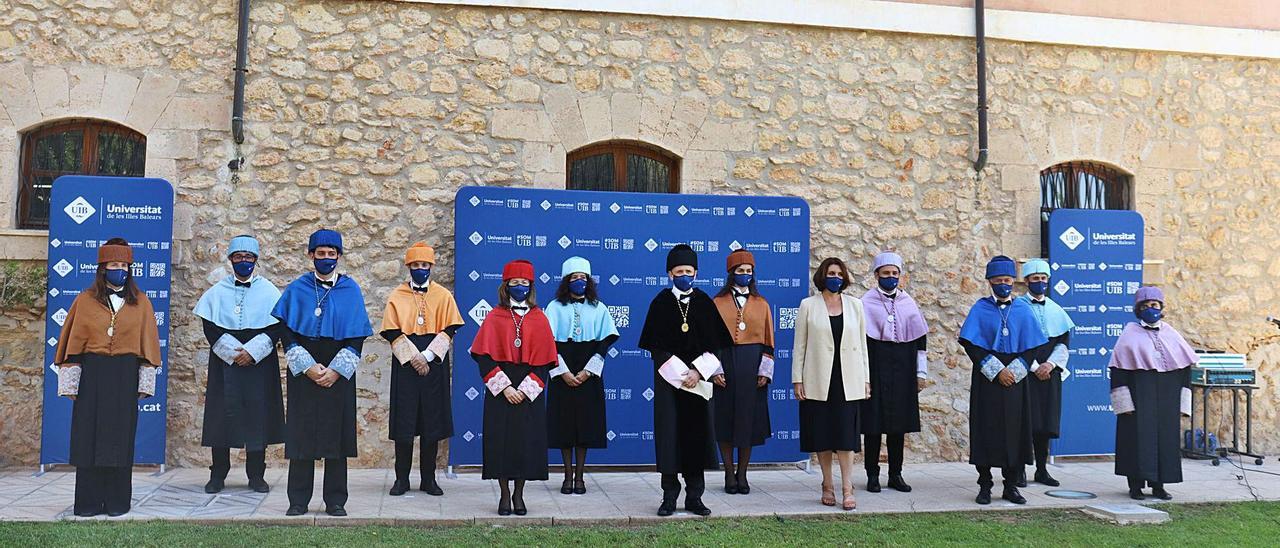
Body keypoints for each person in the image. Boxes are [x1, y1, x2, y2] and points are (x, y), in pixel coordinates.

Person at [55, 238, 162, 517]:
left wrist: (145, 382)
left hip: (124, 377)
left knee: (120, 437)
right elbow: (73, 347)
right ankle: (88, 503)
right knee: (87, 437)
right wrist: (70, 382)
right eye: (114, 265)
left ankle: (117, 502)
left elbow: (148, 349)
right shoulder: (84, 301)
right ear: (102, 268)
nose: (120, 270)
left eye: (125, 265)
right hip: (93, 376)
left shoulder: (142, 304)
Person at [271, 229, 373, 517]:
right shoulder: (297, 288)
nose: (326, 258)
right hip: (306, 368)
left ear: (339, 256)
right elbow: (285, 330)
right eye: (321, 253)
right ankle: (298, 500)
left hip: (337, 369)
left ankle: (336, 499)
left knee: (336, 435)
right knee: (301, 434)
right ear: (310, 255)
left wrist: (337, 370)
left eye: (332, 254)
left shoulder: (350, 289)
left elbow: (357, 335)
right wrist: (307, 366)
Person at [637, 244, 733, 517]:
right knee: (669, 438)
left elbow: (717, 345)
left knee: (697, 437)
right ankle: (669, 495)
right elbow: (656, 347)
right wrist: (681, 375)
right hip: (670, 384)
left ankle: (694, 496)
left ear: (696, 273)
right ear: (670, 273)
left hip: (698, 385)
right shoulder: (660, 303)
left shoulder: (704, 302)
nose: (684, 275)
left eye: (688, 271)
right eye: (679, 271)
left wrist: (698, 372)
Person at [193, 235, 285, 494]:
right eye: (238, 257)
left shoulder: (269, 291)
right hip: (226, 363)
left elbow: (277, 327)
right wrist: (234, 353)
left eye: (248, 258)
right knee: (222, 416)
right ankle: (218, 473)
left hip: (259, 363)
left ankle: (256, 475)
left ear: (255, 260)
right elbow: (209, 327)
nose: (243, 262)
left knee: (258, 417)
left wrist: (253, 352)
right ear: (231, 260)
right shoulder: (216, 292)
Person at [957, 256, 1047, 505]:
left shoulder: (1022, 309)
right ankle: (984, 485)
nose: (1003, 285)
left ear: (1013, 282)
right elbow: (972, 345)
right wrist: (997, 370)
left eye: (1007, 280)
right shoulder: (980, 308)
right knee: (986, 430)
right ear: (990, 282)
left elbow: (1032, 347)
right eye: (998, 281)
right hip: (988, 380)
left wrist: (1014, 372)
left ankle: (1011, 485)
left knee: (1015, 432)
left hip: (1016, 382)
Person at [470, 259, 556, 515]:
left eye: (525, 283)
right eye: (515, 283)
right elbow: (483, 356)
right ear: (506, 286)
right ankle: (504, 495)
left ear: (531, 286)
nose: (520, 287)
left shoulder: (540, 318)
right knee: (501, 444)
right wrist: (506, 388)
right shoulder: (495, 317)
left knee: (525, 444)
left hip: (529, 392)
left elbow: (545, 361)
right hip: (501, 391)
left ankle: (520, 494)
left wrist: (526, 389)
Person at [380, 242, 464, 497]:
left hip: (434, 364)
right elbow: (391, 330)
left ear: (431, 267)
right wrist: (413, 357)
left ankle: (429, 479)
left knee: (432, 423)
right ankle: (401, 479)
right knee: (404, 424)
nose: (420, 269)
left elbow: (450, 328)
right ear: (409, 267)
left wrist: (427, 356)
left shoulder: (443, 295)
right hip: (406, 364)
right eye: (415, 265)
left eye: (424, 265)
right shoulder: (397, 295)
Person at [793, 257, 871, 511]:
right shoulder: (808, 305)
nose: (835, 277)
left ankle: (848, 488)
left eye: (839, 273)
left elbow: (862, 346)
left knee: (846, 437)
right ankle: (827, 484)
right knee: (823, 435)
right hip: (817, 379)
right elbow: (800, 347)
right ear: (822, 276)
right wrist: (798, 379)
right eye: (830, 273)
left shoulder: (856, 305)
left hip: (848, 380)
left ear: (844, 277)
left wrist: (866, 379)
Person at [1109, 286, 1197, 501]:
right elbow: (1119, 372)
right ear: (1138, 310)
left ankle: (1159, 485)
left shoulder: (1172, 334)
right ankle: (1135, 486)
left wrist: (1183, 403)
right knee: (1136, 439)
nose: (1151, 309)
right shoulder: (1128, 335)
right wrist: (1124, 404)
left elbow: (1185, 370)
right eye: (1146, 306)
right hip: (1139, 397)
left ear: (1161, 308)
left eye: (1154, 305)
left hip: (1167, 397)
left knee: (1165, 440)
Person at [544, 256, 619, 495]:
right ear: (567, 281)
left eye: (583, 278)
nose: (580, 282)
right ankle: (567, 476)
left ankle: (580, 476)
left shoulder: (599, 307)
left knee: (585, 425)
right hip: (562, 368)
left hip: (589, 368)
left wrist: (588, 371)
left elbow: (606, 340)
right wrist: (563, 372)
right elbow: (548, 343)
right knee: (564, 425)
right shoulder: (554, 307)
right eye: (575, 278)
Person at [860, 252, 928, 494]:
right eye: (886, 273)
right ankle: (872, 475)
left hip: (903, 370)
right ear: (876, 275)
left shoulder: (908, 303)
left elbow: (921, 341)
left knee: (898, 426)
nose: (890, 278)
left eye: (894, 274)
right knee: (873, 426)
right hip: (876, 369)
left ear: (900, 276)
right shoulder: (865, 303)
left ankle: (896, 474)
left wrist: (921, 373)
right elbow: (860, 342)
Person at [710, 249, 775, 495]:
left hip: (752, 363)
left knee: (749, 419)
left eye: (749, 271)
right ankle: (728, 471)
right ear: (731, 274)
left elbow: (769, 342)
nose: (745, 275)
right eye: (740, 271)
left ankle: (743, 474)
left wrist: (765, 370)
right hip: (724, 362)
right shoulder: (717, 302)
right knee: (725, 418)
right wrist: (714, 369)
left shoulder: (762, 303)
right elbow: (709, 341)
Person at [1018, 258, 1074, 487]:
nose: (1040, 283)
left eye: (1043, 279)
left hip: (1049, 375)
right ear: (1027, 281)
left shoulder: (1056, 310)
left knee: (1044, 424)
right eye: (1035, 279)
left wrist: (1049, 365)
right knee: (1023, 424)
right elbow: (1016, 342)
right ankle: (1019, 470)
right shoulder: (1018, 308)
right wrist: (1033, 366)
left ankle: (1041, 470)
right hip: (1024, 374)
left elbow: (1063, 342)